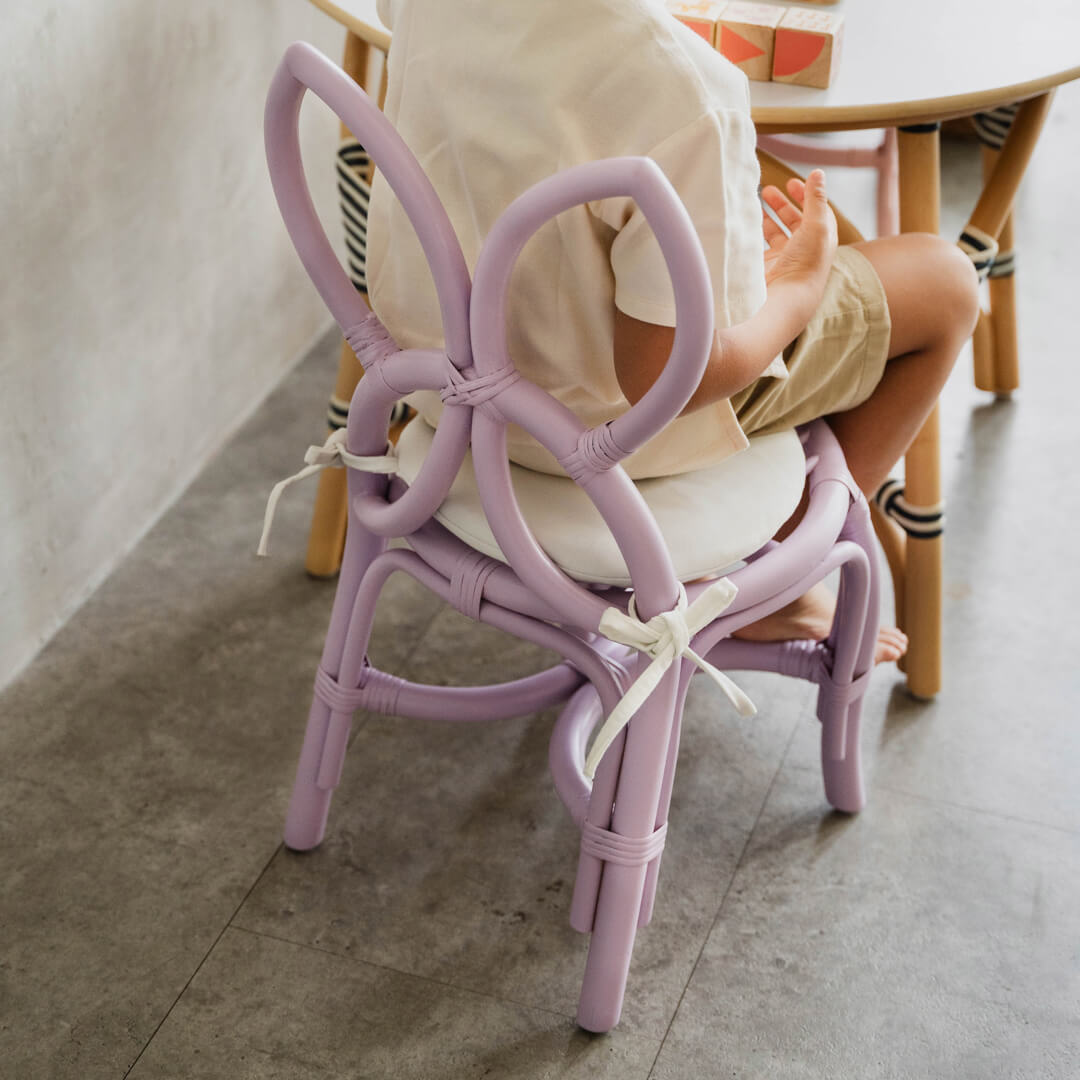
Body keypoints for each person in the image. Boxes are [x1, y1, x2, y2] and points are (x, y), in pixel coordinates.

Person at [366, 0, 980, 662]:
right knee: (943, 283)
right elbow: (669, 381)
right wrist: (798, 287)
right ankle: (770, 592)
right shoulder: (683, 87)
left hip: (447, 386)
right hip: (603, 443)